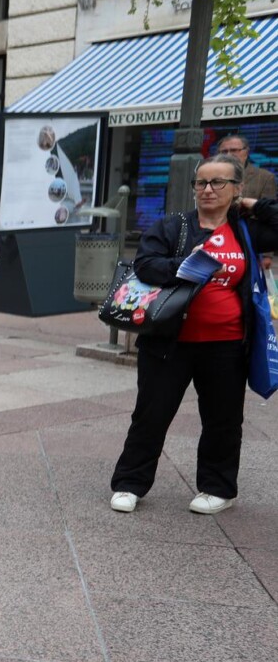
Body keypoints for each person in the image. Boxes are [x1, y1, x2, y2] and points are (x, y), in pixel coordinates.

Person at [109, 154, 278, 516]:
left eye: (219, 182)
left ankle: (218, 488)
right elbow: (145, 264)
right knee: (151, 414)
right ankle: (130, 483)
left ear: (237, 188)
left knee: (223, 419)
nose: (207, 190)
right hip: (169, 342)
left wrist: (254, 206)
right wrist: (184, 266)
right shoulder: (175, 226)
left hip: (228, 345)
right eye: (201, 183)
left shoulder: (245, 229)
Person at [216, 133, 277, 200]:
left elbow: (268, 209)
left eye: (234, 150)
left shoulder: (265, 178)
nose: (228, 155)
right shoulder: (209, 175)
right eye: (224, 151)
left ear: (247, 152)